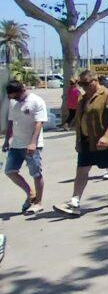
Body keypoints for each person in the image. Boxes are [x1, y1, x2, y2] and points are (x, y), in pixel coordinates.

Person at [54, 70, 108, 217]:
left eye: (86, 83)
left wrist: (106, 136)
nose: (83, 86)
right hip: (87, 140)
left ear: (95, 80)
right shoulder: (83, 97)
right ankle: (74, 201)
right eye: (80, 84)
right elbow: (80, 119)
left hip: (105, 140)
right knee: (82, 169)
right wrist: (78, 140)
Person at [4, 80, 47, 214]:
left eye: (15, 96)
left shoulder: (36, 101)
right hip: (16, 144)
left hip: (32, 145)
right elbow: (11, 122)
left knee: (36, 174)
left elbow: (39, 123)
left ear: (22, 90)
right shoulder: (13, 102)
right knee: (10, 171)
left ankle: (38, 203)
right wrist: (6, 140)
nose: (14, 99)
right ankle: (30, 193)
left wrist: (33, 143)